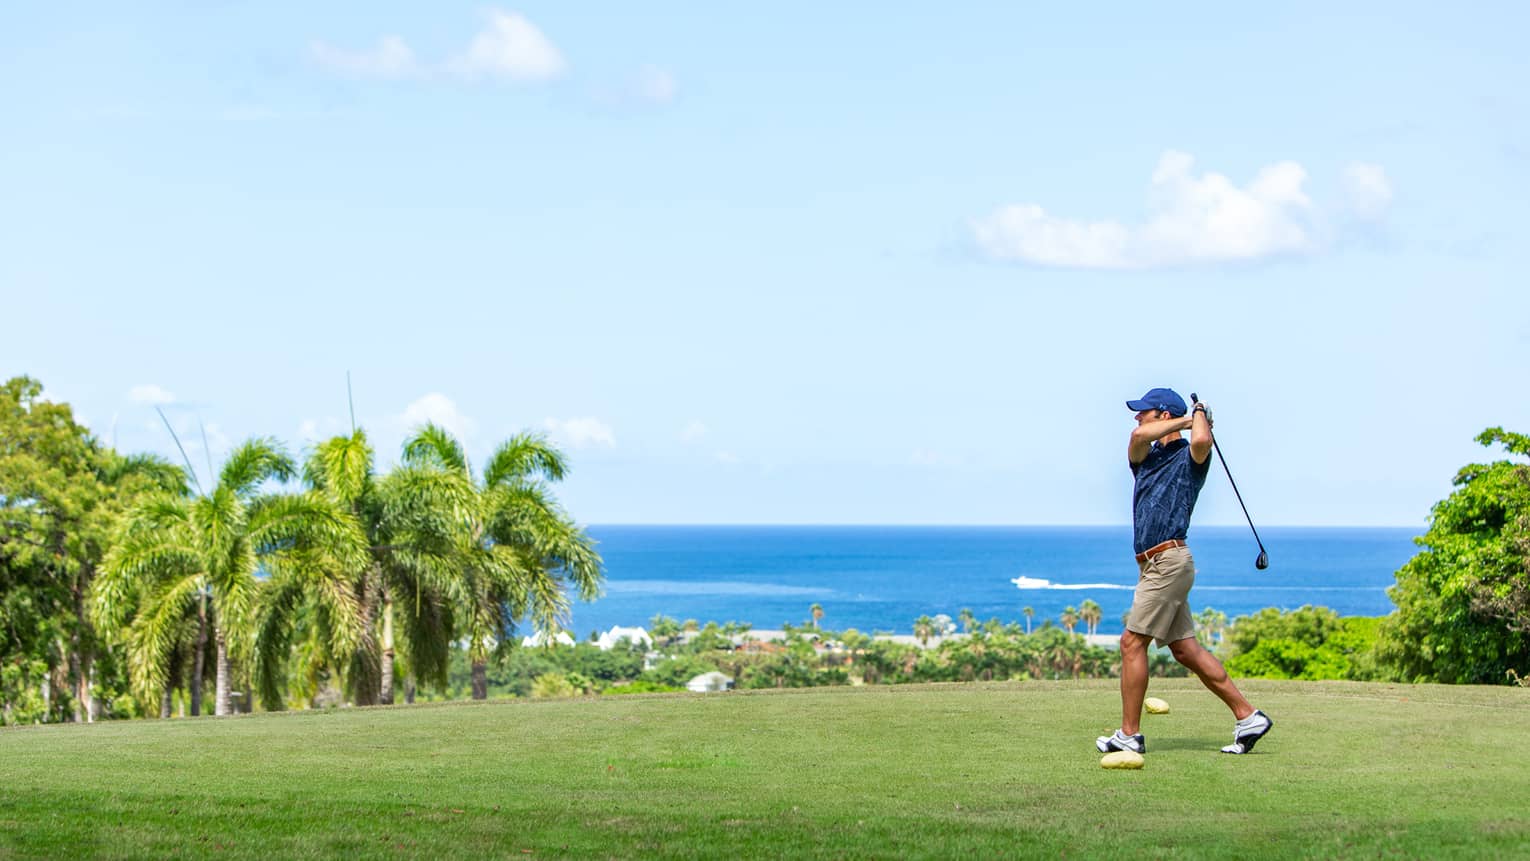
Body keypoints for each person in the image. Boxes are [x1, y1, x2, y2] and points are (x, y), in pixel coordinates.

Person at [1096, 388, 1273, 756]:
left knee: (1132, 643)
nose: (1136, 417)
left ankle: (1129, 735)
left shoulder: (1192, 458)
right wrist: (1191, 416)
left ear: (1162, 414)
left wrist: (1200, 417)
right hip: (1153, 565)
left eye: (1144, 411)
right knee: (1184, 649)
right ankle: (1247, 716)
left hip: (1170, 560)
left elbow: (1202, 439)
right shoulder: (1144, 457)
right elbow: (1137, 438)